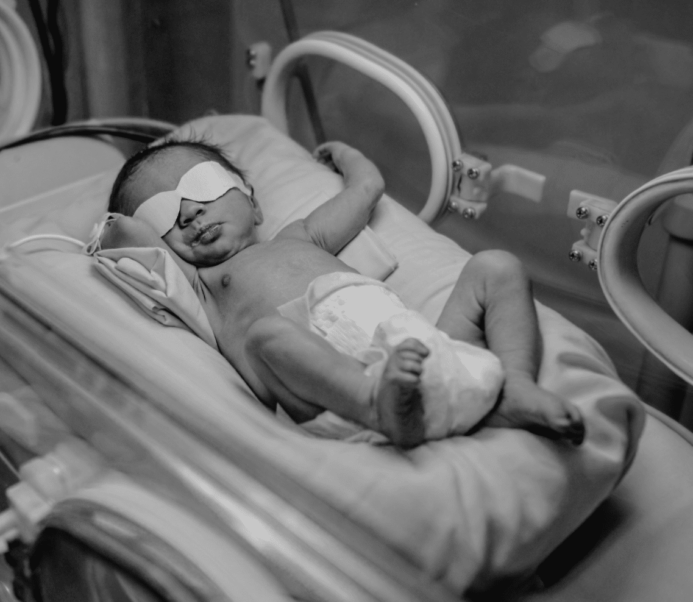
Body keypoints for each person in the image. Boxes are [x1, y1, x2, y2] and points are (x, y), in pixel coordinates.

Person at [100, 138, 585, 448]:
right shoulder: (201, 287)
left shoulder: (300, 236)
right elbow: (128, 245)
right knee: (268, 334)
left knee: (496, 267)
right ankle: (376, 401)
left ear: (251, 198)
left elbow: (366, 189)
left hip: (419, 351)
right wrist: (127, 226)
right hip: (328, 394)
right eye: (162, 214)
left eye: (201, 187)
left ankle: (515, 383)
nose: (188, 214)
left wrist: (347, 156)